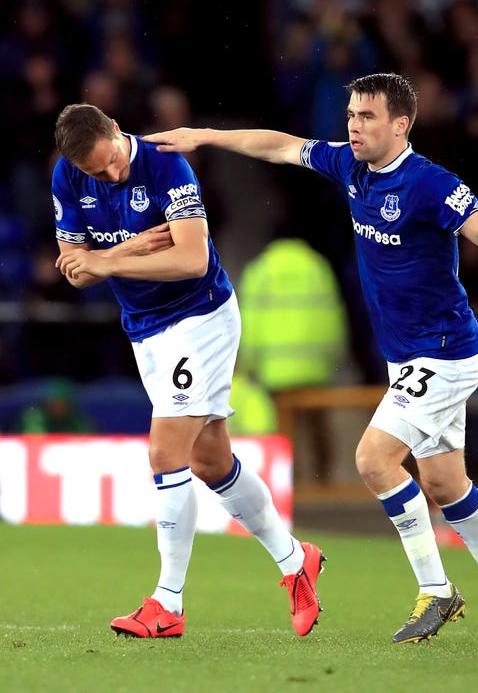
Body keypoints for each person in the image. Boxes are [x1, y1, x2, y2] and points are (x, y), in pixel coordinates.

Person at [141, 72, 478, 644]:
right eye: (351, 114)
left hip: (446, 353)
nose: (354, 125)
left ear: (401, 125)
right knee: (447, 485)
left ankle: (437, 591)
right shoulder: (350, 167)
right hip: (408, 359)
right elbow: (278, 145)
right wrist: (205, 135)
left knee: (374, 459)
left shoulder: (430, 184)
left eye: (368, 117)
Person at [51, 103, 325, 639]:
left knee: (164, 452)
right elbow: (76, 268)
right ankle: (297, 562)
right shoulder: (69, 174)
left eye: (110, 162)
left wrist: (108, 261)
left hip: (199, 318)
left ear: (114, 129)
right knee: (209, 459)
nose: (109, 176)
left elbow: (191, 259)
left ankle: (167, 603)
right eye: (95, 173)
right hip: (144, 329)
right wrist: (125, 251)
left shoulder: (165, 163)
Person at [237, 226, 348, 483]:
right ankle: (324, 482)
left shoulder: (260, 270)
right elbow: (333, 316)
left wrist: (248, 361)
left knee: (282, 430)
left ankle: (289, 484)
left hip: (274, 369)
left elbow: (249, 320)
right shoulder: (318, 267)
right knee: (317, 427)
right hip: (315, 367)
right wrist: (335, 357)